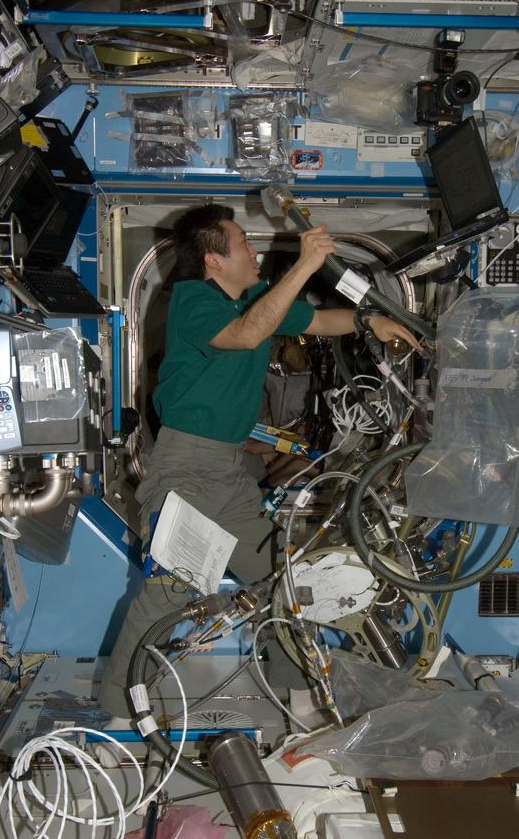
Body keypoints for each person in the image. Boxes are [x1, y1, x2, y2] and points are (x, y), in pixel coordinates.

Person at [97, 202, 418, 723]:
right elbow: (246, 334)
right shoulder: (192, 300)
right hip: (185, 470)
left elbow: (315, 319)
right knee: (170, 594)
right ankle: (118, 717)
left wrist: (370, 320)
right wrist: (305, 266)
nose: (253, 250)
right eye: (243, 242)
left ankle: (299, 703)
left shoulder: (251, 300)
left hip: (224, 473)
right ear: (212, 260)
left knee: (284, 584)